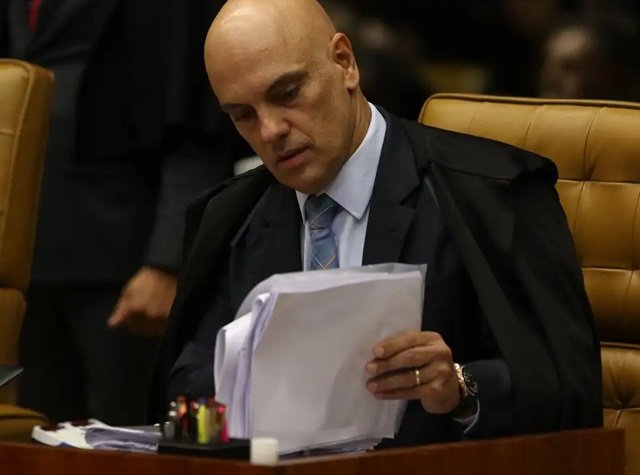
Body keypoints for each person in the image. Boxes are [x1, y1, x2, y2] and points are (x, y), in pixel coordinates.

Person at [151, 0, 602, 445]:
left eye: (287, 94)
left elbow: (569, 391)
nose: (270, 131)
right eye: (243, 115)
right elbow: (184, 387)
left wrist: (461, 388)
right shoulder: (232, 218)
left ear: (344, 62)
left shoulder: (491, 195)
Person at [0, 0, 233, 425]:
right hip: (24, 261)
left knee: (128, 437)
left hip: (126, 264)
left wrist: (168, 262)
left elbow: (197, 126)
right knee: (35, 436)